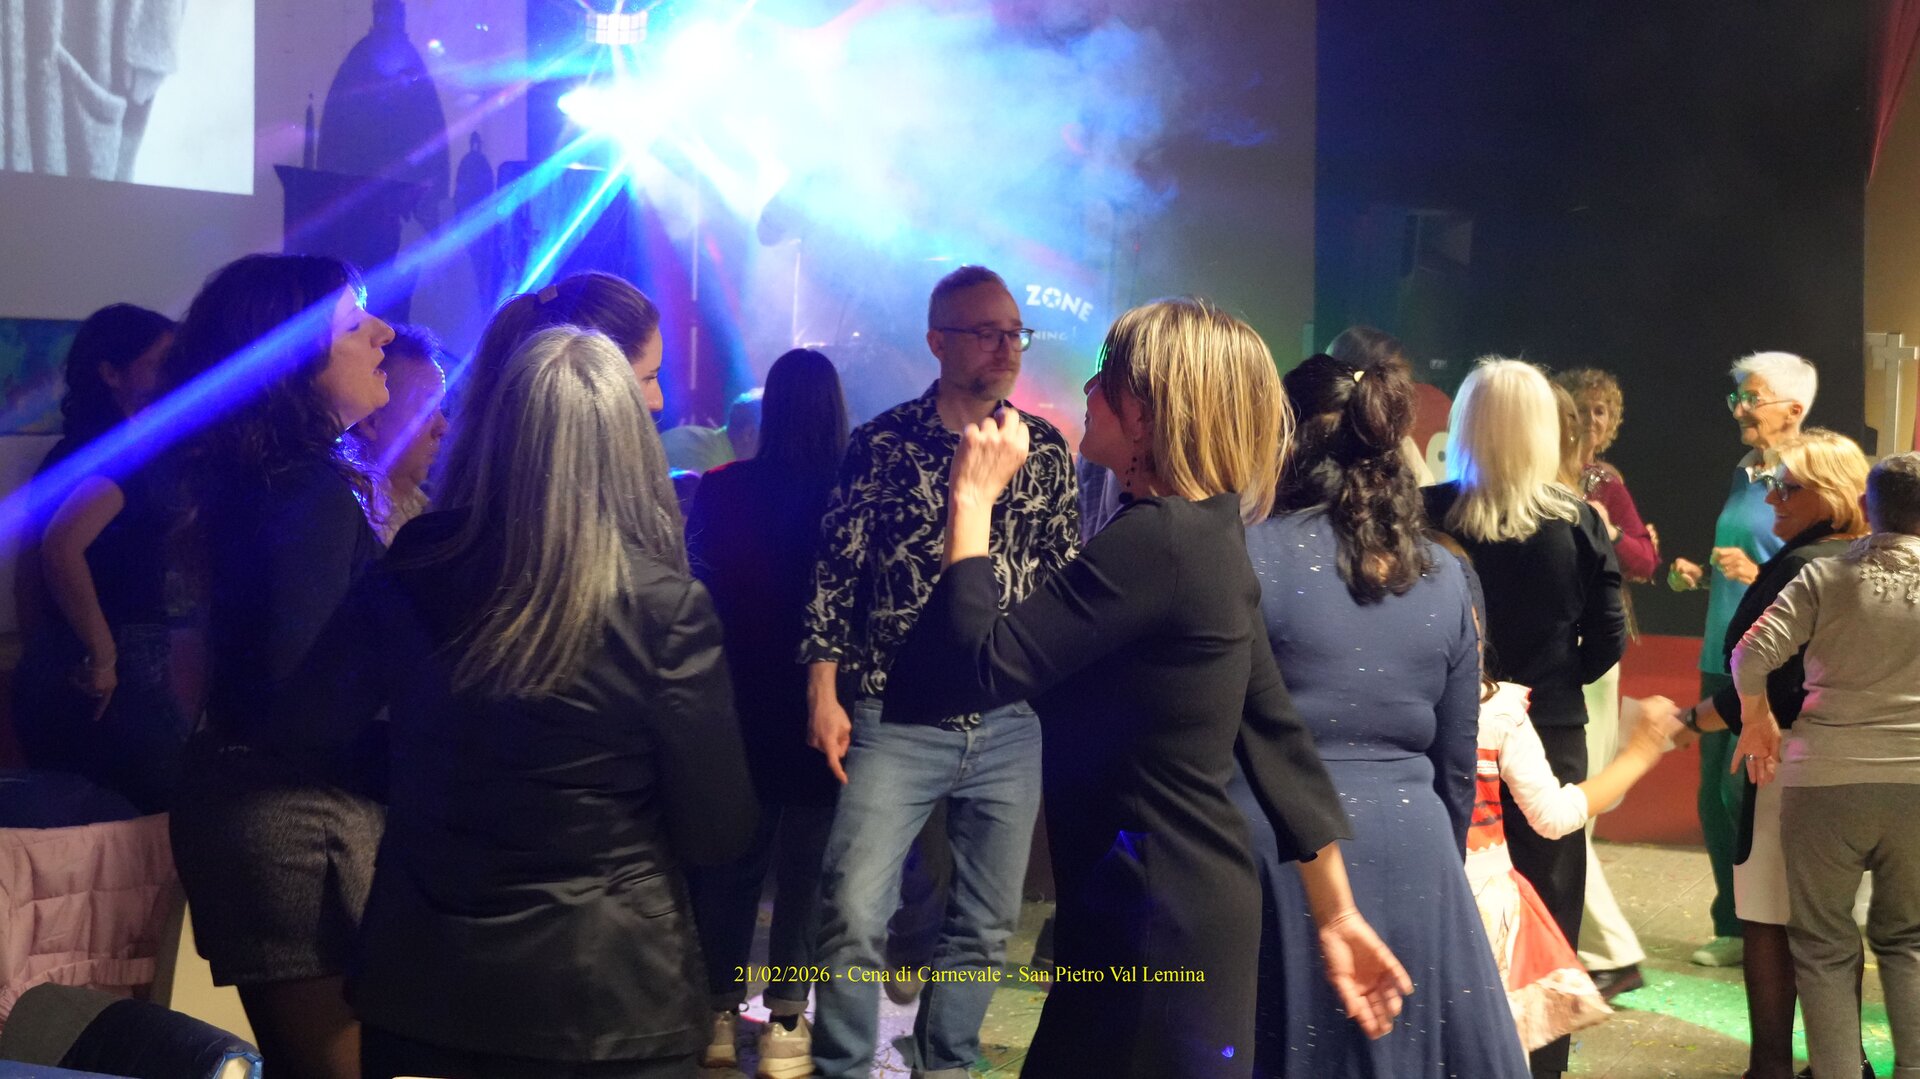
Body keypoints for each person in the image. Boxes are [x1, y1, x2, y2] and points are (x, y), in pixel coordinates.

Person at [884, 298, 1411, 1079]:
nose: (1087, 389)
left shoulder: (1159, 541)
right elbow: (1274, 732)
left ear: (1145, 411)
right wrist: (1336, 913)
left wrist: (970, 500)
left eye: (1106, 375)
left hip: (1153, 921)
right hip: (1165, 911)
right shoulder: (1205, 533)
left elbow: (973, 669)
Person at [274, 326, 757, 1078]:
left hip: (427, 985)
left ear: (494, 434)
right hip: (608, 1000)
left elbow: (308, 726)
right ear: (629, 447)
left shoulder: (421, 562)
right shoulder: (665, 607)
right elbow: (718, 831)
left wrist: (424, 774)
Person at [799, 265, 1079, 1079]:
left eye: (1016, 333)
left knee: (987, 923)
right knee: (854, 909)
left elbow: (1062, 578)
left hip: (1008, 715)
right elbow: (835, 572)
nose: (1007, 348)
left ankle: (946, 1062)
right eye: (987, 332)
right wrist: (822, 689)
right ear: (938, 341)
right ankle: (843, 1065)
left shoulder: (1045, 450)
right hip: (896, 710)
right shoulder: (883, 443)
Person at [1234, 351, 1527, 1078]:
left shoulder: (1245, 553)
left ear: (1282, 439)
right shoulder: (1446, 574)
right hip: (1417, 847)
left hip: (1277, 850)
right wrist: (1437, 864)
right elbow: (1457, 763)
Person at [163, 254, 395, 1079]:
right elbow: (303, 698)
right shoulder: (307, 492)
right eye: (355, 322)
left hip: (252, 809)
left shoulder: (261, 483)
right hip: (296, 822)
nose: (383, 333)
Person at [1422, 358, 1626, 1079]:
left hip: (1445, 730)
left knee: (1445, 899)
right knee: (1547, 908)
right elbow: (1609, 638)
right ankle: (1540, 1063)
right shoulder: (1577, 521)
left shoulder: (1425, 512)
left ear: (1465, 424)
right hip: (1551, 726)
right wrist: (1550, 685)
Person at [1674, 429, 1872, 1079]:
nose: (1771, 499)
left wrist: (1690, 722)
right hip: (1860, 772)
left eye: (1787, 488)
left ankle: (1771, 1066)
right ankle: (1842, 1061)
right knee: (1831, 924)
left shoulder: (1801, 566)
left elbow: (1763, 677)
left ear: (1832, 494)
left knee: (1768, 915)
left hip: (1787, 762)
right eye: (1771, 485)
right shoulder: (1867, 560)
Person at [684, 349, 848, 1076]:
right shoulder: (848, 494)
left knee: (733, 864)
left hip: (737, 697)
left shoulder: (723, 488)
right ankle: (786, 1020)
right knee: (808, 869)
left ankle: (718, 1011)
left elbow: (698, 595)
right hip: (823, 699)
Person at [1732, 452, 1920, 1079]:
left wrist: (1757, 718)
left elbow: (1749, 656)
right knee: (1910, 940)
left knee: (1822, 946)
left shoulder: (1826, 576)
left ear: (1866, 508)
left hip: (1825, 782)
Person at [1668, 351, 1817, 970]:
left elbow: (1821, 574)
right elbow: (1744, 565)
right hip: (1720, 653)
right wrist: (1701, 576)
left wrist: (1757, 574)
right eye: (1738, 398)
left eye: (1752, 398)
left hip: (1770, 662)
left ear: (1794, 408)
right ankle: (1732, 924)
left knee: (1744, 792)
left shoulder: (1809, 478)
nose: (1739, 409)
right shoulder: (1744, 474)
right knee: (1715, 795)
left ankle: (1773, 925)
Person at [12, 303, 186, 812]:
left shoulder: (73, 450)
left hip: (66, 655)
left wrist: (43, 649)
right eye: (161, 361)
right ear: (111, 373)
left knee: (75, 819)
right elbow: (61, 548)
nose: (173, 374)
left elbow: (29, 566)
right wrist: (104, 655)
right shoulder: (119, 452)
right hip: (116, 659)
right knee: (155, 814)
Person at [1552, 366, 1659, 998]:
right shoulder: (1543, 473)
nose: (1591, 422)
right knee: (1564, 800)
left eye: (1601, 412)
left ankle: (1607, 952)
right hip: (1553, 646)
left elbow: (1643, 558)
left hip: (1590, 648)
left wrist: (1606, 529)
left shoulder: (1604, 483)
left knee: (1570, 798)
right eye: (1581, 410)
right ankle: (1588, 946)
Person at [435, 271, 664, 508]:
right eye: (649, 378)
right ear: (591, 381)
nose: (658, 401)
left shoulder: (442, 525)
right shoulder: (629, 527)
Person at [345, 323, 448, 544]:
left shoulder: (431, 509)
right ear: (370, 422)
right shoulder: (344, 520)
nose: (443, 427)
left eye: (441, 408)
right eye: (426, 411)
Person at [1326, 325, 1436, 485]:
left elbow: (1426, 493)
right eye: (1390, 378)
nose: (1403, 390)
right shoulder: (1315, 448)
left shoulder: (1401, 446)